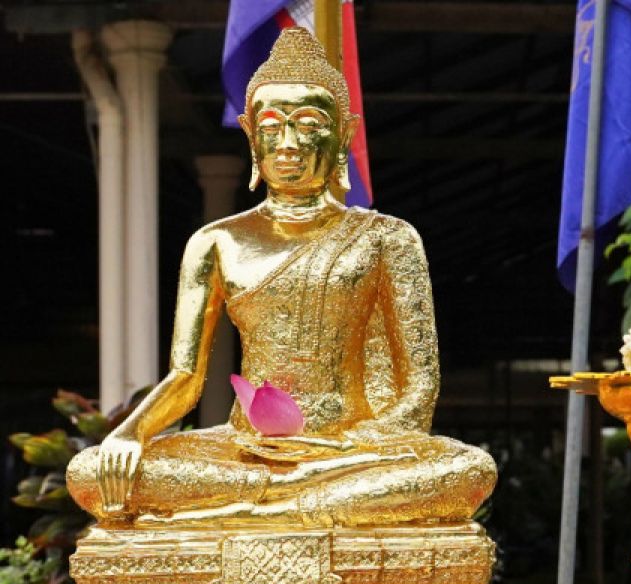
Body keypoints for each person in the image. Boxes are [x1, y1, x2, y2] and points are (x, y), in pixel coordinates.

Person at [67, 28, 494, 528]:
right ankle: (293, 500)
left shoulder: (387, 238)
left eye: (308, 123)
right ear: (251, 134)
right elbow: (185, 379)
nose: (288, 144)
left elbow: (419, 389)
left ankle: (262, 505)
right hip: (246, 449)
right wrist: (130, 433)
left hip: (348, 449)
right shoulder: (216, 241)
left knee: (468, 470)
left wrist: (351, 444)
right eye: (272, 125)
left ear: (343, 133)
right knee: (90, 472)